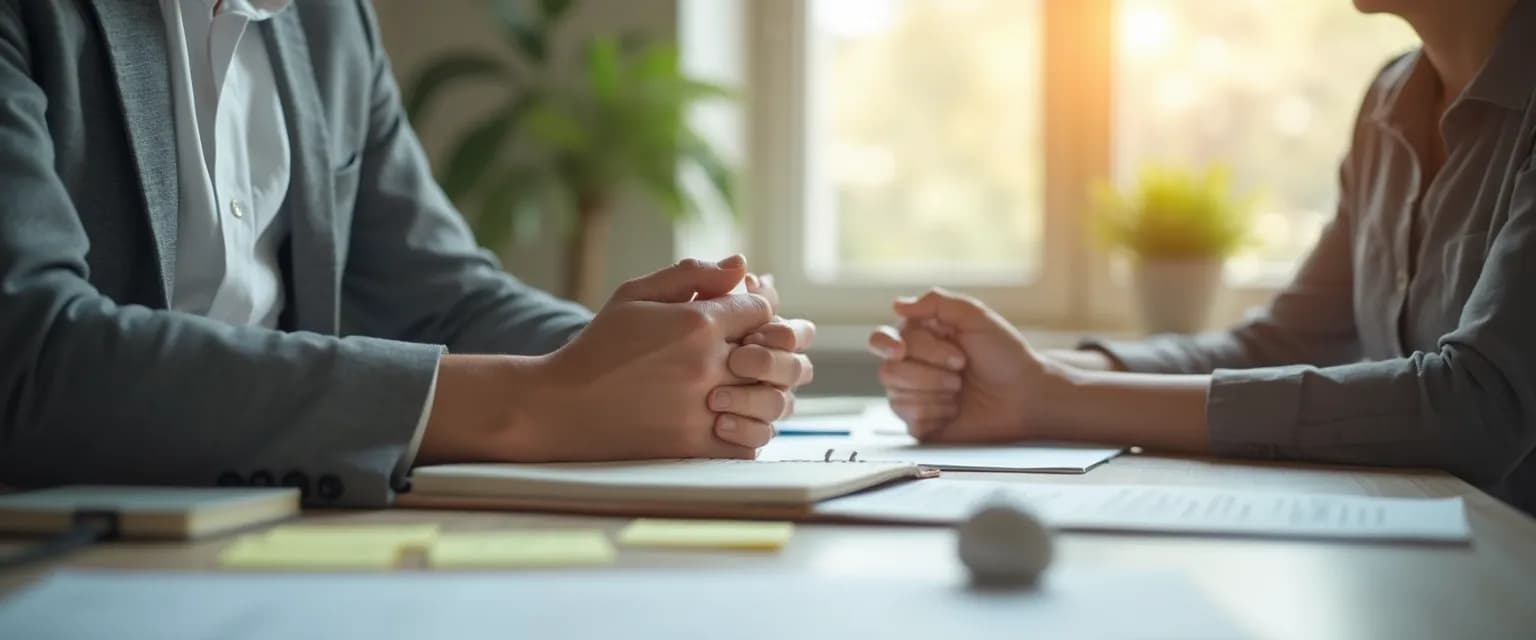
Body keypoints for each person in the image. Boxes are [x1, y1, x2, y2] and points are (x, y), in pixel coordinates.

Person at [0, 0, 814, 507]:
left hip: (279, 538)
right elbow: (30, 356)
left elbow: (443, 298)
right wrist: (532, 401)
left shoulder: (330, 19)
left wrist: (682, 362)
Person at [870, 0, 1536, 514]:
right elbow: (1277, 344)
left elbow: (1477, 405)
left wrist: (1050, 397)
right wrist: (1038, 368)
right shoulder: (1389, 102)